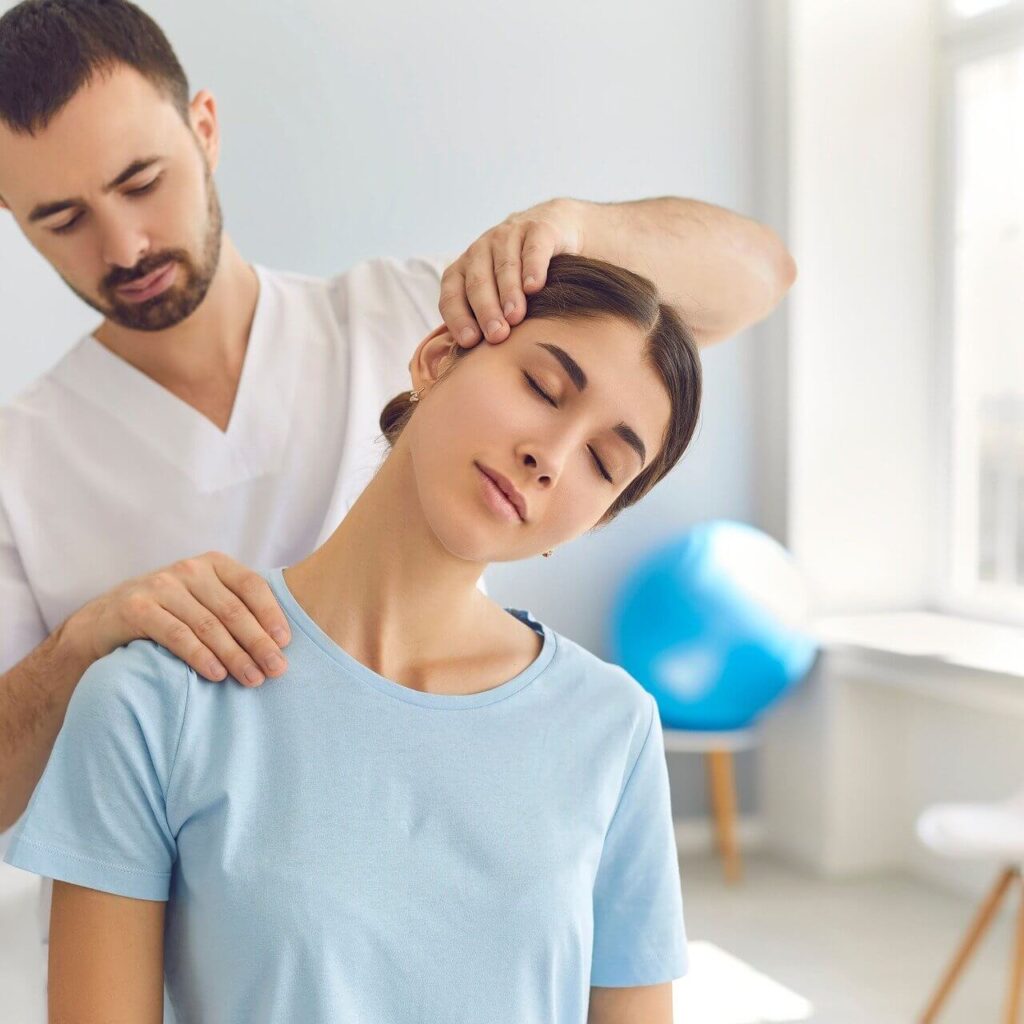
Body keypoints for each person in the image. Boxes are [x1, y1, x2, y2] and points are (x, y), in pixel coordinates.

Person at [0, 0, 796, 951]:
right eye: (62, 218)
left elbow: (757, 274)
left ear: (203, 130)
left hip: (413, 909)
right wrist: (88, 642)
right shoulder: (21, 462)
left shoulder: (412, 315)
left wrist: (572, 227)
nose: (123, 246)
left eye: (142, 182)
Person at [5, 252, 701, 1024]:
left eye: (603, 464)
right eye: (541, 387)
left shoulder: (613, 727)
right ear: (438, 358)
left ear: (593, 521)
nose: (552, 457)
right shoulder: (156, 699)